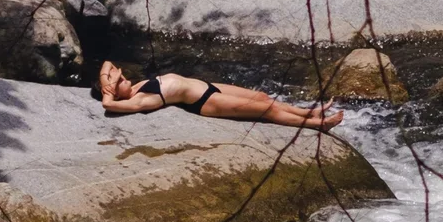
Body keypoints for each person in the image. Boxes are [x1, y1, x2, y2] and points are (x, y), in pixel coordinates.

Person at [93, 59, 343, 131]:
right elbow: (108, 105)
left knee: (263, 98)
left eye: (120, 75)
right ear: (115, 93)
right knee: (267, 111)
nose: (120, 75)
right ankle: (317, 125)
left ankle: (308, 111)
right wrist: (110, 89)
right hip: (205, 101)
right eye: (119, 80)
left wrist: (109, 80)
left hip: (208, 85)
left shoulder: (134, 88)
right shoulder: (138, 101)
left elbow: (105, 62)